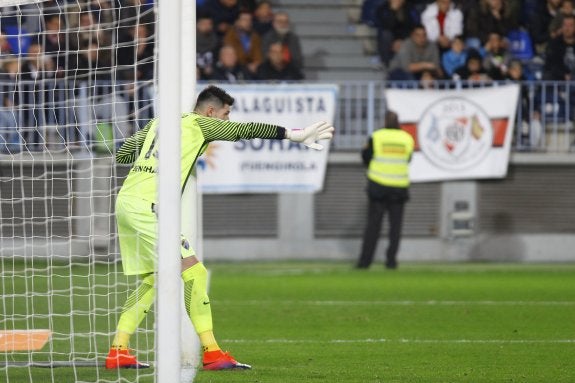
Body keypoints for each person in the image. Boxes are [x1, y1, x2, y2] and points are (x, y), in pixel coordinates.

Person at [105, 85, 334, 370]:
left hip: (126, 202)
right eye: (225, 114)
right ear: (211, 111)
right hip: (148, 207)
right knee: (195, 272)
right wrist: (292, 134)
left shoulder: (159, 122)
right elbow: (243, 130)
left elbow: (123, 154)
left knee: (155, 278)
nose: (226, 120)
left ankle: (119, 349)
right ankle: (212, 352)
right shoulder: (200, 123)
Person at [356, 110, 414, 270]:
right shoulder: (407, 138)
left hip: (378, 186)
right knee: (395, 228)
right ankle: (391, 261)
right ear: (398, 122)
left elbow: (365, 156)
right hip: (399, 188)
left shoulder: (377, 136)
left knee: (373, 227)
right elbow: (408, 159)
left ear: (384, 121)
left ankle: (365, 262)